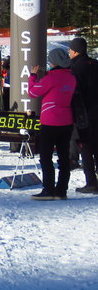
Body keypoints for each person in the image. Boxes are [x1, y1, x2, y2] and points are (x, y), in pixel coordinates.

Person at [28, 48, 76, 200]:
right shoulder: (71, 77)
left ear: (53, 62)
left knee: (46, 156)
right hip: (67, 121)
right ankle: (61, 191)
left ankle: (48, 190)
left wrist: (33, 76)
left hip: (50, 121)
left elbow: (32, 92)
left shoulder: (51, 78)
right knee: (63, 157)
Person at [68, 37, 98, 193]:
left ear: (75, 51)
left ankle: (91, 182)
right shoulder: (95, 64)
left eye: (70, 49)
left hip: (84, 114)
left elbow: (75, 92)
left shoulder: (75, 68)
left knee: (85, 148)